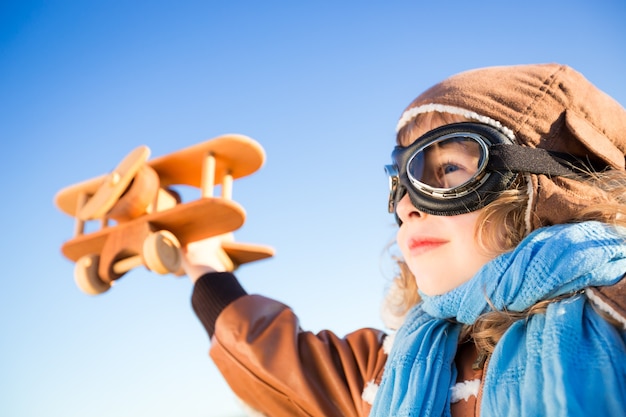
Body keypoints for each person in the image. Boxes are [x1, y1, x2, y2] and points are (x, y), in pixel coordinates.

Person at [183, 63, 626, 417]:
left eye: (449, 170)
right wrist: (202, 261)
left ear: (550, 186)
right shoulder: (389, 371)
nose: (405, 207)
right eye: (401, 181)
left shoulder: (616, 314)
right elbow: (273, 358)